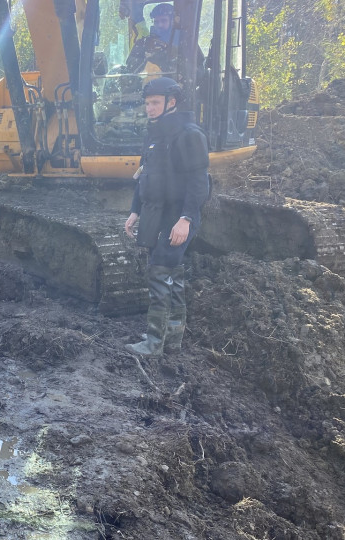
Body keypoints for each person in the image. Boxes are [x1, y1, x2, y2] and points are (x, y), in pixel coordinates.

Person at [123, 77, 209, 357]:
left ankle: (153, 343)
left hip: (177, 216)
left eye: (155, 103)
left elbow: (199, 182)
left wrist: (186, 219)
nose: (149, 108)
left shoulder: (188, 134)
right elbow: (145, 173)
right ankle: (172, 338)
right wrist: (135, 210)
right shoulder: (155, 133)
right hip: (156, 212)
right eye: (147, 103)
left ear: (171, 102)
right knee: (173, 273)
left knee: (160, 271)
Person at [124, 2, 174, 75]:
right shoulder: (143, 43)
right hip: (147, 84)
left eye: (164, 20)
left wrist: (163, 54)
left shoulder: (184, 43)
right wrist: (146, 57)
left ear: (172, 21)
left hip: (174, 84)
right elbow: (130, 68)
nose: (160, 25)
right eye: (156, 21)